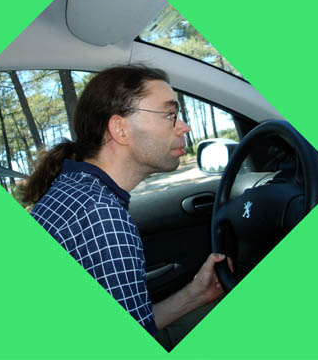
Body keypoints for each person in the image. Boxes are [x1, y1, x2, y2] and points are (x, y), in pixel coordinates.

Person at [23, 65, 229, 350]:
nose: (184, 126)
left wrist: (196, 294)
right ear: (121, 129)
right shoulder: (101, 216)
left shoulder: (74, 190)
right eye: (170, 114)